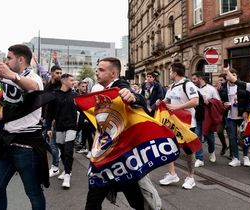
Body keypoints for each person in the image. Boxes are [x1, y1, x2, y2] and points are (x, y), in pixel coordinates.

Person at [85, 57, 148, 210]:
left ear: (113, 73)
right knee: (134, 197)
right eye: (97, 69)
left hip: (117, 155)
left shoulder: (120, 87)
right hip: (111, 153)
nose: (97, 72)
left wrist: (133, 97)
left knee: (95, 199)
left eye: (101, 69)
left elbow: (135, 98)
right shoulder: (102, 89)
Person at [0, 44, 48, 210]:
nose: (6, 61)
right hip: (7, 142)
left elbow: (33, 87)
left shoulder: (34, 77)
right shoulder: (7, 78)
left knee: (33, 192)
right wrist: (0, 110)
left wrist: (12, 76)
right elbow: (0, 98)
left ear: (21, 59)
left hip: (27, 146)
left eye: (9, 58)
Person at [159, 62, 199, 190]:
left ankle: (191, 177)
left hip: (187, 124)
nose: (169, 73)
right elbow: (167, 100)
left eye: (170, 71)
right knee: (169, 148)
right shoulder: (171, 86)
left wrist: (177, 107)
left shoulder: (188, 84)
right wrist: (160, 102)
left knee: (188, 151)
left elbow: (195, 101)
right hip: (173, 123)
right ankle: (172, 174)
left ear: (175, 73)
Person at [46, 73, 78, 188]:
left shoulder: (75, 95)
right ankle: (66, 169)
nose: (73, 82)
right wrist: (48, 128)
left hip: (72, 127)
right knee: (63, 151)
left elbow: (84, 109)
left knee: (69, 151)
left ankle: (67, 175)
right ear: (64, 81)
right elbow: (49, 113)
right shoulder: (54, 95)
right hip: (59, 127)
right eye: (71, 80)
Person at [219, 69, 250, 167]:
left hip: (242, 115)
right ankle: (236, 158)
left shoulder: (243, 86)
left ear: (236, 76)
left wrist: (246, 111)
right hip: (230, 116)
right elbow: (221, 101)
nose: (231, 76)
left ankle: (246, 157)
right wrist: (223, 104)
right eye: (229, 75)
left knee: (244, 137)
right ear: (226, 77)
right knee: (232, 138)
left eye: (233, 74)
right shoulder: (223, 88)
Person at [191, 72, 221, 167]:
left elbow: (218, 102)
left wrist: (209, 102)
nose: (193, 81)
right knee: (197, 136)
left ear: (200, 78)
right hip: (197, 115)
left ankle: (211, 151)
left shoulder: (211, 89)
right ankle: (199, 158)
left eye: (194, 79)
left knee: (210, 137)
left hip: (208, 116)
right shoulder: (193, 89)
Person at [44, 65, 63, 177]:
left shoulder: (61, 86)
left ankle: (55, 166)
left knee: (53, 143)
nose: (59, 75)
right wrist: (42, 115)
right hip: (47, 117)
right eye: (57, 73)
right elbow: (44, 101)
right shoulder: (47, 86)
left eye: (60, 73)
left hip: (56, 119)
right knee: (44, 141)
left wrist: (55, 118)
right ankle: (57, 155)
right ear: (51, 73)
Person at [216, 74, 230, 156]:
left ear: (226, 80)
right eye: (219, 80)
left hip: (228, 113)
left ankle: (232, 153)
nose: (220, 82)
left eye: (221, 80)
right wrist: (217, 91)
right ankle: (224, 145)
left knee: (230, 133)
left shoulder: (228, 88)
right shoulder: (218, 89)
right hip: (220, 113)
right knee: (219, 131)